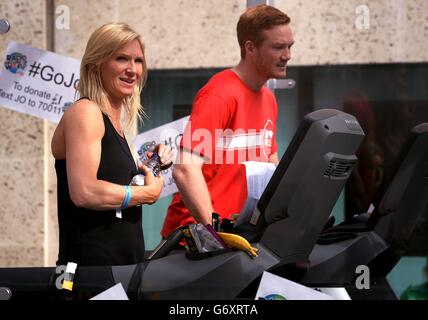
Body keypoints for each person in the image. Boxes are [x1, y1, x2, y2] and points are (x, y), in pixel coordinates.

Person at [161, 5, 294, 238]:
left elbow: (271, 168)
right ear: (250, 48)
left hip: (237, 237)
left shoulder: (269, 100)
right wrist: (216, 234)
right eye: (278, 47)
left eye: (289, 46)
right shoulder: (220, 94)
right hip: (197, 241)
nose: (287, 55)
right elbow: (185, 169)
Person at [51, 23, 173, 266]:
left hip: (121, 271)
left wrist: (152, 164)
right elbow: (84, 192)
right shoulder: (86, 112)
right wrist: (145, 194)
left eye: (138, 61)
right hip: (90, 275)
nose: (132, 70)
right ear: (97, 64)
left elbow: (112, 178)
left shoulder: (114, 124)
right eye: (121, 59)